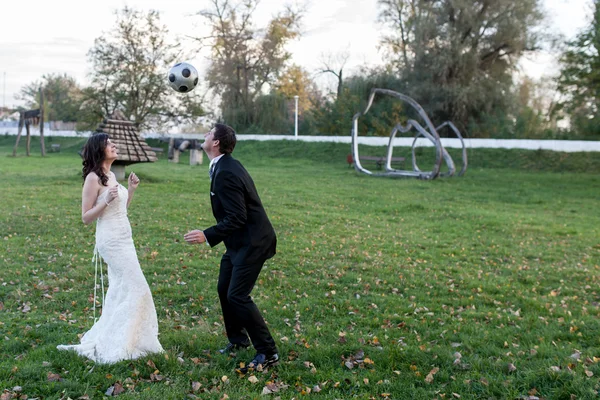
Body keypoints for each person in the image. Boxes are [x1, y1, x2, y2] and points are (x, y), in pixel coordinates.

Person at [57, 133, 163, 364]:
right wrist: (104, 201)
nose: (114, 146)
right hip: (111, 241)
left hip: (125, 237)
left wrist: (131, 189)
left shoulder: (112, 175)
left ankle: (128, 337)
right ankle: (123, 341)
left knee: (121, 288)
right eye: (109, 144)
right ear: (99, 150)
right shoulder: (93, 178)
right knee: (137, 286)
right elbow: (86, 217)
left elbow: (120, 208)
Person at [184, 123, 278, 373]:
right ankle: (238, 341)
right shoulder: (222, 165)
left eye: (209, 133)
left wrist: (206, 235)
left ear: (216, 143)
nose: (205, 135)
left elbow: (238, 216)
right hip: (238, 242)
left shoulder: (226, 170)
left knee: (237, 295)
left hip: (253, 242)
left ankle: (268, 352)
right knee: (224, 288)